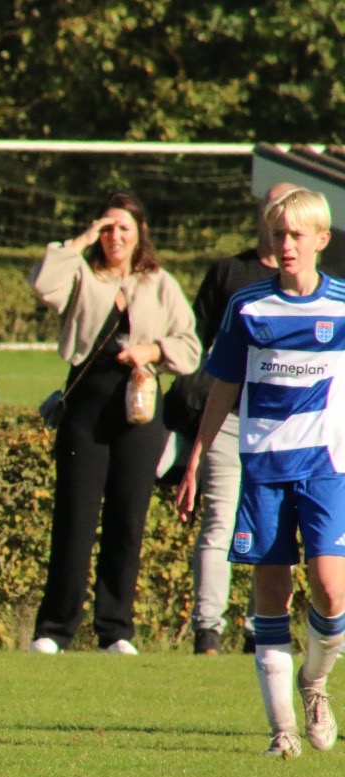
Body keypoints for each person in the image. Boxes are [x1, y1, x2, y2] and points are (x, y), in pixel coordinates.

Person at [176, 186, 344, 757]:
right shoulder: (248, 306)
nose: (286, 244)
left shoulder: (341, 305)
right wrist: (197, 457)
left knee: (331, 589)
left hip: (326, 467)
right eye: (278, 234)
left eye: (296, 234)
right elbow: (224, 384)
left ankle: (314, 682)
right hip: (264, 469)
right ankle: (282, 731)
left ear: (321, 239)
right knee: (271, 591)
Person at [27, 191, 200, 654]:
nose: (115, 237)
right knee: (74, 520)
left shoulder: (160, 283)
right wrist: (82, 240)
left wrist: (153, 350)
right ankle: (54, 629)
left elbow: (190, 345)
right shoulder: (81, 274)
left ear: (140, 232)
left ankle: (115, 629)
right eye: (107, 228)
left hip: (140, 410)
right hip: (86, 406)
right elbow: (43, 283)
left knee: (127, 521)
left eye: (124, 228)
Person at [178, 184, 295, 656]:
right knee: (220, 520)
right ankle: (207, 631)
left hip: (283, 427)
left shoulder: (320, 289)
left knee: (275, 528)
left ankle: (260, 628)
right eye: (272, 209)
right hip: (229, 420)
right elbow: (196, 341)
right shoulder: (231, 274)